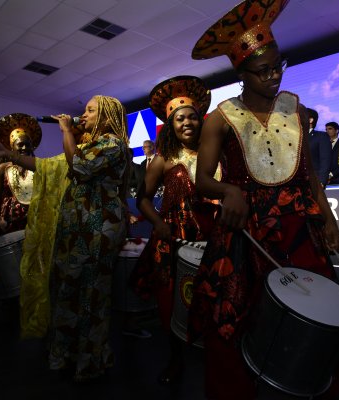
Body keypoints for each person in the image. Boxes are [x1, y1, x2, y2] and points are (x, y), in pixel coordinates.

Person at [188, 1, 339, 399]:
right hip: (245, 233)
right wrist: (228, 190)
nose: (273, 76)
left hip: (296, 228)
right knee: (239, 317)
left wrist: (327, 219)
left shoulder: (297, 108)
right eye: (263, 70)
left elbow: (309, 175)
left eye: (279, 66)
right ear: (241, 73)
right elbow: (203, 180)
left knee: (312, 312)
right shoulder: (220, 117)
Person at [0, 95, 130, 382]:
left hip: (97, 231)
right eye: (83, 110)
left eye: (90, 110)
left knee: (91, 294)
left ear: (108, 116)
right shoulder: (88, 147)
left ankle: (89, 360)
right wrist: (7, 155)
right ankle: (68, 353)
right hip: (77, 230)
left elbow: (79, 168)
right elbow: (47, 167)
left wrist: (65, 130)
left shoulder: (113, 145)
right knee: (69, 289)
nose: (82, 115)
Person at [130, 75, 220, 385]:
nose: (186, 122)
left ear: (201, 120)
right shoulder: (163, 159)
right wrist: (157, 222)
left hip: (214, 239)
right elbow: (140, 199)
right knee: (172, 303)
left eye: (192, 116)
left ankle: (214, 360)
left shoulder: (218, 154)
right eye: (179, 118)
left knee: (213, 300)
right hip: (174, 241)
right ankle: (175, 361)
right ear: (171, 124)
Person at [0, 113, 41, 237]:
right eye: (20, 145)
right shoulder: (2, 169)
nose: (24, 148)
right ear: (12, 147)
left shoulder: (38, 165)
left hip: (35, 217)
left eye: (27, 145)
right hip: (10, 219)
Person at [307, 108, 332, 187]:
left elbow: (325, 160)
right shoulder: (295, 137)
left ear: (310, 120)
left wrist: (321, 181)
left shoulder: (321, 136)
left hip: (314, 181)